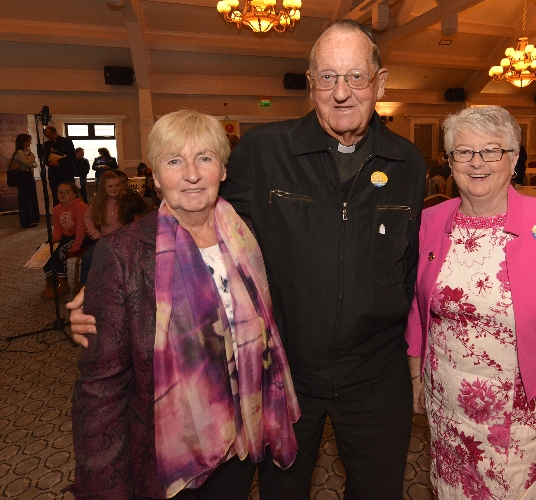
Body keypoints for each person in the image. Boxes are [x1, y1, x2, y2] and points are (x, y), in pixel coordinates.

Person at [69, 19, 426, 500]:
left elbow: (411, 267)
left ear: (379, 83)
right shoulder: (263, 151)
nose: (341, 92)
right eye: (327, 77)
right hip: (285, 372)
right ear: (311, 83)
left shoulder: (407, 163)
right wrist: (112, 285)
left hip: (375, 378)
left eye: (355, 77)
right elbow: (198, 214)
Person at [71, 109, 300, 500]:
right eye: (174, 161)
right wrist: (104, 488)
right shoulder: (124, 254)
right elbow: (100, 389)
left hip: (241, 445)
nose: (192, 174)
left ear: (223, 170)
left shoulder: (247, 236)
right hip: (167, 459)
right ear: (156, 177)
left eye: (205, 158)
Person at [405, 106, 536, 499]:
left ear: (513, 160)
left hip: (519, 413)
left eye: (492, 150)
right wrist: (415, 377)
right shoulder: (431, 220)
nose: (477, 162)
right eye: (464, 152)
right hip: (446, 402)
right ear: (450, 162)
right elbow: (416, 305)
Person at [42, 182, 87, 299]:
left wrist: (76, 246)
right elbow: (58, 228)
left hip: (82, 236)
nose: (63, 195)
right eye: (60, 192)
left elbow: (81, 229)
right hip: (67, 236)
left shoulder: (80, 206)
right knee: (45, 249)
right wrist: (54, 239)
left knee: (59, 251)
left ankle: (63, 283)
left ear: (74, 194)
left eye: (67, 192)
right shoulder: (57, 209)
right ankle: (52, 281)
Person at [80, 171, 123, 285]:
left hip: (123, 240)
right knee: (88, 258)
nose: (114, 189)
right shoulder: (98, 203)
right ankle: (85, 288)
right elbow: (87, 217)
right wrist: (95, 233)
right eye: (110, 186)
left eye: (117, 185)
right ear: (103, 188)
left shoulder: (125, 201)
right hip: (105, 239)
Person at [10, 133, 40, 228]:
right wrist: (32, 157)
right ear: (23, 142)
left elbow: (34, 165)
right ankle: (26, 221)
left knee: (31, 198)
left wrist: (30, 159)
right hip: (24, 177)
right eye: (28, 140)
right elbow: (28, 163)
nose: (30, 142)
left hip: (28, 176)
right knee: (25, 200)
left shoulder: (26, 152)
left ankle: (33, 219)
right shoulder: (20, 152)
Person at [43, 125, 76, 207]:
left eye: (49, 135)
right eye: (47, 136)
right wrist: (49, 163)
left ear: (55, 133)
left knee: (69, 192)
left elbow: (72, 156)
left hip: (66, 172)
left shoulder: (66, 142)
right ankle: (58, 212)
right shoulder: (47, 144)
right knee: (56, 194)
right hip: (54, 173)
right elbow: (44, 158)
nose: (48, 138)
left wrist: (59, 162)